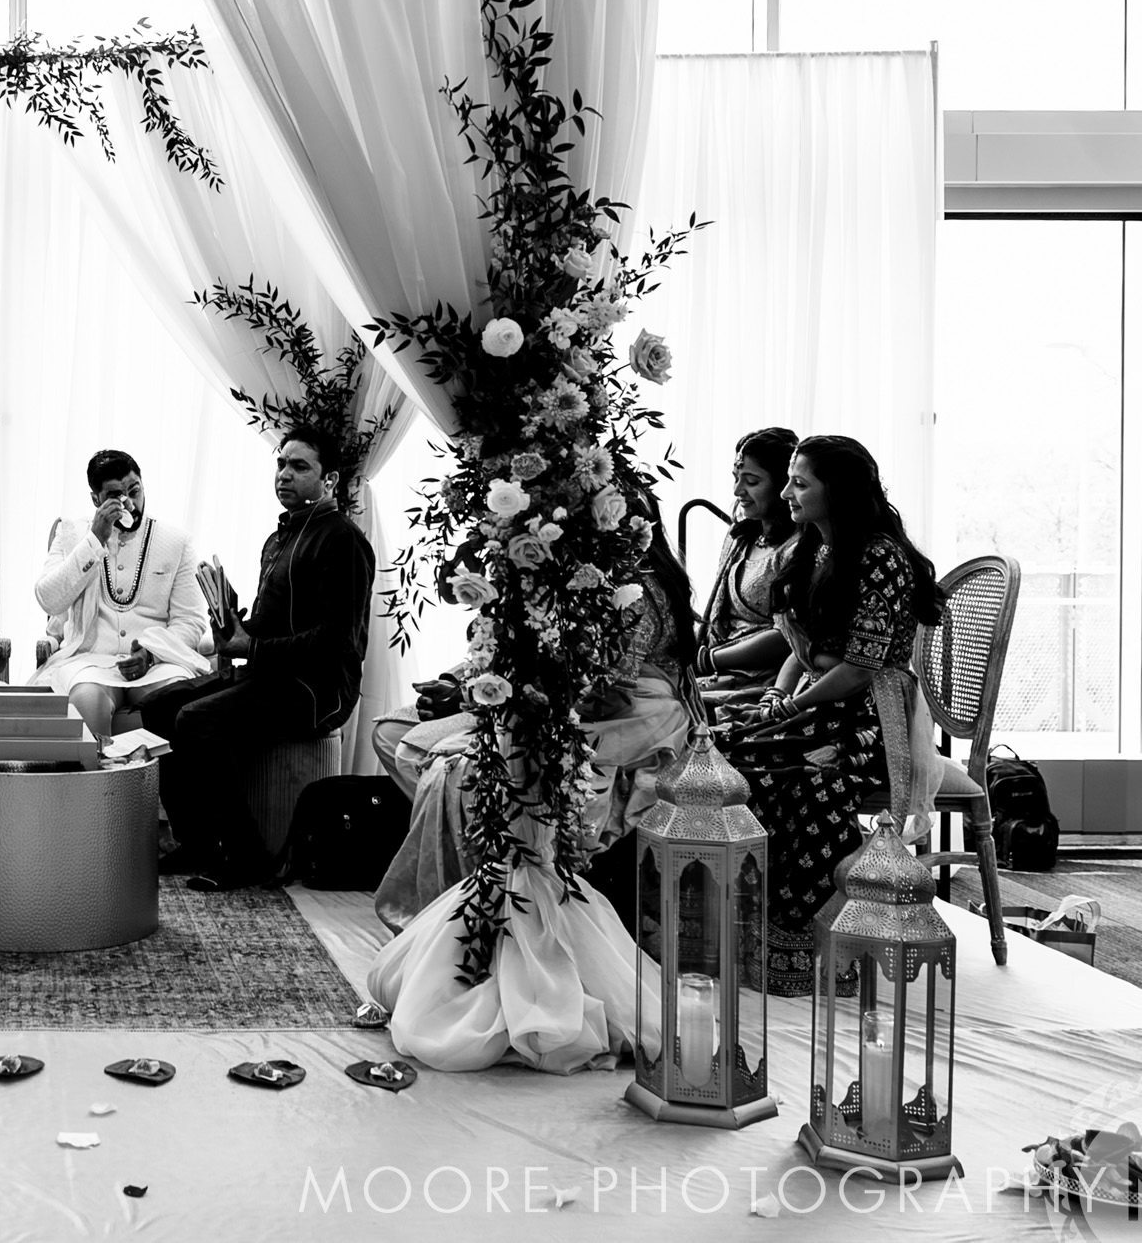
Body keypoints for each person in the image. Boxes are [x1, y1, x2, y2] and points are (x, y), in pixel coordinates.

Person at [371, 480, 698, 931]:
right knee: (394, 734)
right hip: (545, 696)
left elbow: (604, 691)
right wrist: (458, 682)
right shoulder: (569, 571)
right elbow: (518, 644)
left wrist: (485, 698)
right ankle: (473, 884)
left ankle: (494, 896)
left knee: (462, 770)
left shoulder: (640, 588)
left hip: (627, 712)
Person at [715, 434, 946, 997]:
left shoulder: (880, 557)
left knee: (799, 777)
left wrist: (790, 706)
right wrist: (775, 698)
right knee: (727, 749)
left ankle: (816, 949)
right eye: (790, 480)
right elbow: (799, 645)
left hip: (869, 716)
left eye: (801, 482)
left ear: (835, 491)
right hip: (819, 699)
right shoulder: (814, 548)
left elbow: (861, 667)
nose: (789, 493)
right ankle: (741, 935)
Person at [135, 426, 375, 891]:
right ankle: (199, 843)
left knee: (195, 720)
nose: (284, 475)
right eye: (281, 464)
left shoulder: (342, 540)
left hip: (315, 688)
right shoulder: (281, 536)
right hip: (271, 673)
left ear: (330, 479)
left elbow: (337, 640)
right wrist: (234, 625)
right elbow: (272, 621)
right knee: (158, 707)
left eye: (299, 466)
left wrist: (253, 647)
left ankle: (246, 856)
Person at [32, 449, 214, 741]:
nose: (129, 503)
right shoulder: (71, 533)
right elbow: (49, 599)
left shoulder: (176, 541)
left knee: (173, 699)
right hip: (89, 661)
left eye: (135, 490)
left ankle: (160, 788)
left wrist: (151, 653)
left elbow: (190, 621)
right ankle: (99, 787)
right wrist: (94, 539)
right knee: (86, 700)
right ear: (96, 500)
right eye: (115, 495)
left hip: (159, 662)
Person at [696, 426, 800, 712]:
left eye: (751, 481)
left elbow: (789, 637)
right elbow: (716, 617)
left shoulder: (798, 549)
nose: (737, 490)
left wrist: (709, 659)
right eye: (736, 478)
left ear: (783, 484)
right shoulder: (740, 537)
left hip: (764, 679)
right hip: (714, 665)